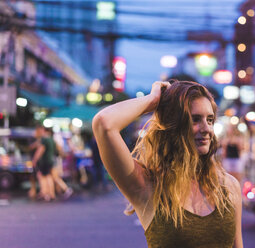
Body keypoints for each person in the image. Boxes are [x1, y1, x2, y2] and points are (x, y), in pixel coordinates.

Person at [92, 80, 243, 248]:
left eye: (209, 119)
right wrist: (152, 100)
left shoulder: (229, 186)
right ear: (173, 126)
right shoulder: (147, 185)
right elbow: (103, 123)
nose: (206, 128)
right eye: (194, 120)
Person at [45, 128, 73, 199]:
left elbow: (59, 150)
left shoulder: (53, 139)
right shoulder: (55, 139)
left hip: (55, 160)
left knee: (55, 177)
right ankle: (58, 191)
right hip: (56, 160)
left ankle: (66, 189)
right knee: (56, 176)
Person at [32, 125, 55, 202]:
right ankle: (51, 193)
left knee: (43, 176)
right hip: (50, 160)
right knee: (48, 176)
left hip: (45, 161)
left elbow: (40, 150)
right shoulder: (51, 139)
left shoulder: (44, 140)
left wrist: (35, 159)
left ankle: (46, 193)